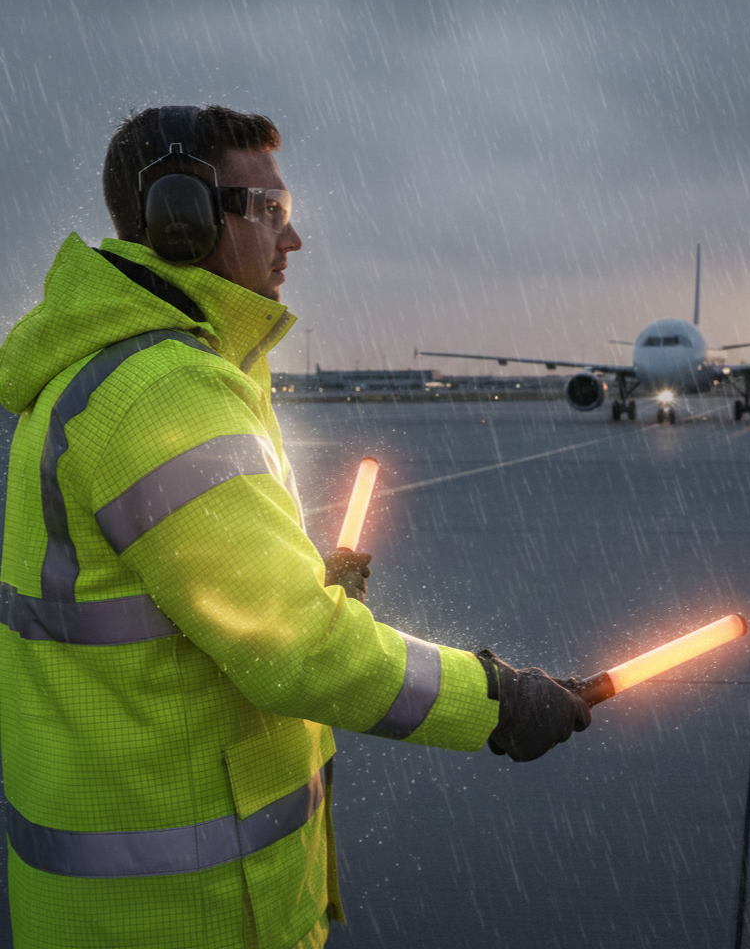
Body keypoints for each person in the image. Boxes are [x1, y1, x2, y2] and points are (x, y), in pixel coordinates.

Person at [0, 105, 591, 949]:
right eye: (270, 211)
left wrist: (292, 580)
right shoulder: (165, 394)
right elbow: (298, 651)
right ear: (185, 218)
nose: (294, 238)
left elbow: (170, 597)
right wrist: (495, 700)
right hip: (180, 917)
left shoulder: (119, 373)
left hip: (124, 899)